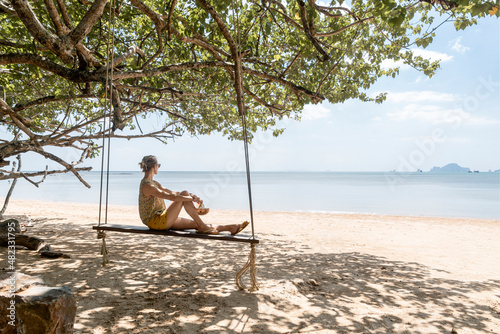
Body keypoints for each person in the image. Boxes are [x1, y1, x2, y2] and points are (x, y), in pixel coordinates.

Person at [138, 155, 249, 235]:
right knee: (185, 194)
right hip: (156, 222)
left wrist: (192, 196)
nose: (158, 167)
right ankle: (202, 227)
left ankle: (231, 228)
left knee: (197, 222)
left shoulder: (154, 183)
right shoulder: (147, 186)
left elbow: (172, 192)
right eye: (158, 165)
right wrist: (189, 197)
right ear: (154, 167)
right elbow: (171, 197)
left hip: (163, 218)